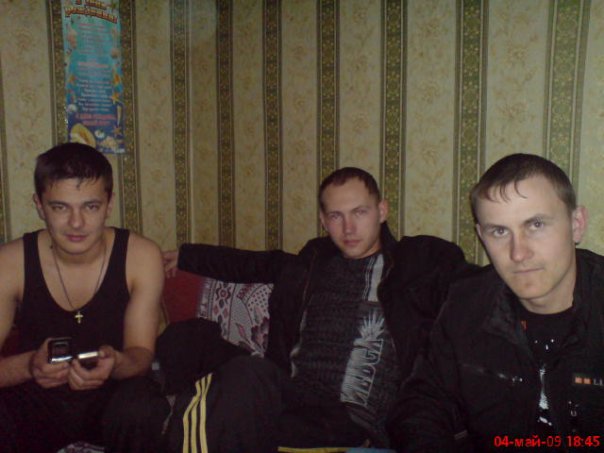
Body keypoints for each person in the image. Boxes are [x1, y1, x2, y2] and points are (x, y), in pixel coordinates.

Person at [161, 167, 473, 452]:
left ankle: (189, 424)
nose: (349, 228)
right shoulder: (312, 263)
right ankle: (179, 418)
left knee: (245, 379)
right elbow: (254, 263)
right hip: (295, 396)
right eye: (336, 216)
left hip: (350, 420)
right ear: (324, 221)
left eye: (359, 212)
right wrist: (187, 256)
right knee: (187, 337)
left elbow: (478, 287)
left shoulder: (419, 262)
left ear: (381, 211)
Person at [390, 153, 604, 452]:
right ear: (481, 236)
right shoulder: (466, 304)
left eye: (536, 224)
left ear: (576, 224)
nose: (518, 253)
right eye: (500, 231)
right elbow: (423, 401)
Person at [0, 143, 168, 453]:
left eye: (90, 207)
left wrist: (116, 363)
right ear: (40, 206)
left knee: (143, 407)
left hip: (112, 397)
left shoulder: (142, 256)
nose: (76, 223)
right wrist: (29, 366)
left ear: (109, 204)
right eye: (60, 207)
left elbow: (141, 355)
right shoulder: (9, 263)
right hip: (35, 399)